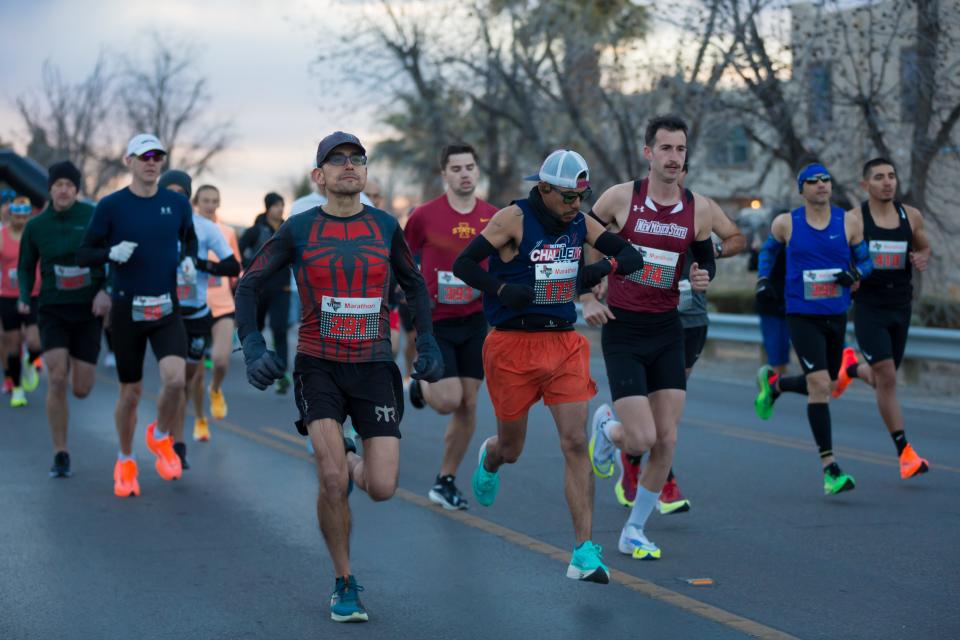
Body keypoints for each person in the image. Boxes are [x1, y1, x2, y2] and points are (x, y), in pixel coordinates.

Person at [235, 131, 443, 623]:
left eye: (357, 159)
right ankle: (344, 581)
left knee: (382, 486)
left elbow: (415, 285)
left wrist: (427, 343)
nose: (349, 166)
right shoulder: (297, 229)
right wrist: (252, 345)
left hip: (374, 367)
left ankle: (350, 455)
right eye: (337, 160)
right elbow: (248, 286)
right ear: (319, 176)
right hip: (318, 364)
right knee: (330, 480)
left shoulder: (387, 226)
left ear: (365, 172)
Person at [454, 148, 644, 584]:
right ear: (542, 189)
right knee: (513, 448)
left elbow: (630, 257)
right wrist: (501, 290)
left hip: (563, 344)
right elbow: (464, 264)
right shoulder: (513, 219)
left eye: (582, 195)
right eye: (567, 197)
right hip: (511, 347)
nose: (576, 205)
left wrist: (598, 271)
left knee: (575, 443)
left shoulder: (579, 222)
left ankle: (583, 552)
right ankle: (491, 456)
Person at [582, 115, 717, 561]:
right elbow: (584, 235)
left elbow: (717, 245)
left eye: (680, 149)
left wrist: (705, 268)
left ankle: (633, 530)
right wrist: (589, 289)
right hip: (622, 328)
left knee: (667, 438)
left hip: (667, 328)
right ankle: (606, 426)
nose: (674, 157)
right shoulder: (622, 197)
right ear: (649, 153)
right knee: (639, 440)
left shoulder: (697, 208)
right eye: (666, 148)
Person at [603, 162, 746, 515]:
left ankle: (653, 476)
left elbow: (735, 238)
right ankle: (639, 466)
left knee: (666, 424)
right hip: (635, 321)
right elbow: (590, 230)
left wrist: (710, 257)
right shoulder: (628, 201)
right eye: (667, 153)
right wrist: (596, 282)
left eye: (680, 159)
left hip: (687, 320)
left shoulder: (698, 208)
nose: (674, 170)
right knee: (647, 426)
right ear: (651, 160)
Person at [78, 133, 198, 497]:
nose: (151, 162)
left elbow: (188, 238)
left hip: (166, 306)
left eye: (157, 156)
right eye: (144, 156)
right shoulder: (111, 205)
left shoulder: (176, 205)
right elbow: (84, 253)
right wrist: (109, 253)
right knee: (130, 394)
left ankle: (160, 435)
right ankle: (125, 459)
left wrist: (189, 258)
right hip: (127, 309)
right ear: (129, 161)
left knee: (176, 380)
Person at [753, 162, 874, 495]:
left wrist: (857, 274)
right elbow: (767, 252)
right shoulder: (785, 224)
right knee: (821, 385)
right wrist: (763, 280)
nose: (821, 185)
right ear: (801, 189)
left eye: (826, 180)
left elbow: (867, 261)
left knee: (828, 382)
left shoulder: (848, 222)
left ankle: (775, 384)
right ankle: (830, 468)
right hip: (801, 314)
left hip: (835, 314)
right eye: (813, 181)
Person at [404, 143, 498, 510]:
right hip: (435, 321)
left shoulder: (493, 216)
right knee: (448, 400)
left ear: (477, 171)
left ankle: (445, 480)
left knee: (469, 402)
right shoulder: (424, 216)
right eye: (456, 168)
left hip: (475, 320)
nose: (464, 174)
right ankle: (417, 384)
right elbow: (404, 258)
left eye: (470, 167)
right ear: (444, 174)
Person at [831, 158, 931, 479]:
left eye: (891, 176)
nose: (887, 182)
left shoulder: (910, 216)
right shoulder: (854, 219)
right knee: (887, 377)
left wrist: (921, 257)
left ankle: (850, 368)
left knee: (881, 378)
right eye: (879, 177)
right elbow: (839, 258)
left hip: (901, 306)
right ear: (865, 185)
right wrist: (852, 275)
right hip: (870, 308)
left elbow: (924, 246)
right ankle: (905, 453)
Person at [17, 161, 110, 476]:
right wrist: (23, 296)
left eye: (69, 184)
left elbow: (112, 257)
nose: (64, 189)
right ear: (51, 188)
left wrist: (105, 291)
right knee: (56, 379)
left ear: (76, 189)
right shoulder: (36, 225)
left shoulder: (92, 217)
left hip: (88, 310)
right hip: (52, 308)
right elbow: (27, 265)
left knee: (81, 388)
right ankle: (60, 452)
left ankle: (76, 370)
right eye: (58, 184)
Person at [159, 171, 239, 467]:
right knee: (175, 380)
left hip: (199, 312)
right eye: (170, 191)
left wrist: (202, 265)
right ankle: (176, 443)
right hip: (163, 313)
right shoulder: (150, 225)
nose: (175, 197)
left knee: (189, 378)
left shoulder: (206, 228)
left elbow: (232, 265)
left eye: (181, 192)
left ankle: (178, 425)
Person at [190, 184, 241, 436]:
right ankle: (200, 418)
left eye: (214, 200)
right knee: (196, 373)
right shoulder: (188, 229)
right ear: (196, 202)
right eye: (205, 200)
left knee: (220, 361)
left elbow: (235, 268)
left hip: (222, 304)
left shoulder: (227, 231)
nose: (210, 205)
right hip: (196, 305)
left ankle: (216, 389)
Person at [239, 192, 292, 393]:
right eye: (276, 205)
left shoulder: (288, 228)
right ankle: (257, 364)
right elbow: (239, 249)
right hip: (259, 289)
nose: (280, 209)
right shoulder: (256, 230)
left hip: (282, 289)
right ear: (268, 207)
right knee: (257, 326)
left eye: (282, 205)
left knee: (280, 329)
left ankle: (282, 373)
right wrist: (250, 267)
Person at [2, 196, 42, 407]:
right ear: (12, 215)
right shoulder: (2, 236)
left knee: (36, 343)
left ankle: (29, 361)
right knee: (13, 343)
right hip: (8, 297)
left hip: (34, 295)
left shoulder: (35, 235)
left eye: (25, 216)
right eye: (18, 215)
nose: (21, 219)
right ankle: (17, 389)